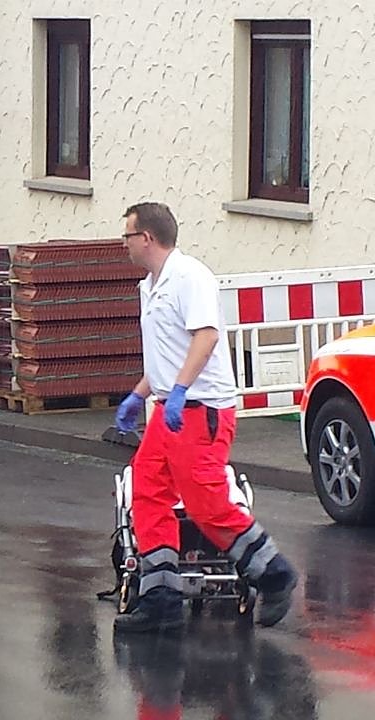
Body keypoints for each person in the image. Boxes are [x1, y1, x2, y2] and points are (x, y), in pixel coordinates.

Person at [113, 202, 296, 632]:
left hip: (201, 410)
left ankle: (274, 573)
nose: (124, 244)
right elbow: (168, 353)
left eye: (127, 236)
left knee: (205, 504)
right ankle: (160, 598)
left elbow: (206, 337)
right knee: (148, 492)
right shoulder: (150, 287)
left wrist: (178, 391)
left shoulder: (189, 278)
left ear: (147, 238)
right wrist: (140, 395)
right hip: (170, 409)